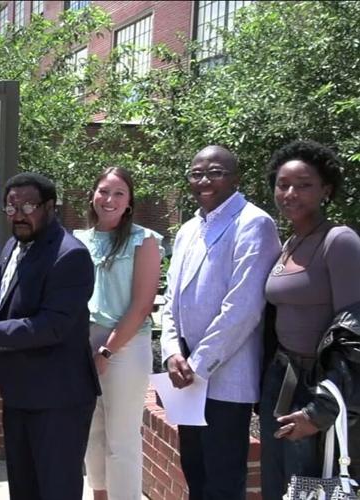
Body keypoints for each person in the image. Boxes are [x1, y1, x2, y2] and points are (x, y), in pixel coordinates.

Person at [0, 172, 98, 500]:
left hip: (58, 398)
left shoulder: (70, 255)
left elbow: (52, 326)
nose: (18, 215)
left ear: (50, 207)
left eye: (28, 206)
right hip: (19, 394)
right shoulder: (14, 245)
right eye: (11, 207)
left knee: (56, 489)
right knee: (23, 487)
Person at [160, 145, 280, 500]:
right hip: (186, 378)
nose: (204, 181)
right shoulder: (188, 229)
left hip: (226, 379)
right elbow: (171, 299)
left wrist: (197, 366)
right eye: (196, 174)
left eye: (215, 173)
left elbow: (243, 308)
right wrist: (171, 352)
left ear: (236, 178)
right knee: (195, 474)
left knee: (223, 483)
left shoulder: (255, 223)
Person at [260, 140, 360, 498]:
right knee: (280, 485)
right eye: (283, 184)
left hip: (320, 386)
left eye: (303, 185)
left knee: (314, 486)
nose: (290, 193)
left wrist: (320, 411)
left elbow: (355, 334)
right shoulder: (290, 242)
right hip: (282, 378)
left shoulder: (339, 241)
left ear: (325, 190)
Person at [74, 167, 162, 500]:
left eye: (119, 193)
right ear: (92, 196)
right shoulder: (78, 240)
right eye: (103, 191)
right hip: (83, 342)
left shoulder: (144, 240)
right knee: (92, 431)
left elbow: (142, 305)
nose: (109, 199)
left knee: (121, 439)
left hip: (125, 344)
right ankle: (100, 495)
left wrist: (107, 351)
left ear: (129, 202)